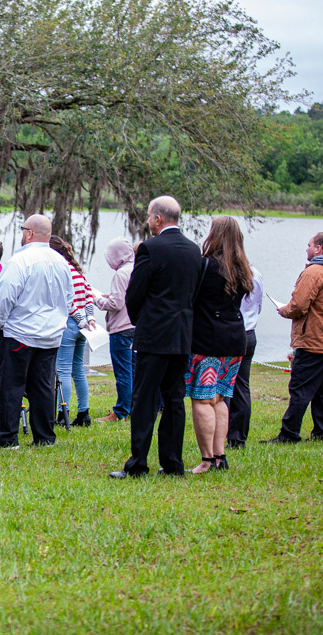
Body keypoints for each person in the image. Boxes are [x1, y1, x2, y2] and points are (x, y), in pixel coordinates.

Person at [110, 196, 202, 478]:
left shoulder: (150, 248)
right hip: (182, 335)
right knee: (174, 399)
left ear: (158, 218)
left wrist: (140, 322)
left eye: (149, 217)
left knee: (145, 399)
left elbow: (134, 294)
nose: (148, 222)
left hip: (153, 335)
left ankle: (138, 463)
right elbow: (194, 293)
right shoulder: (193, 249)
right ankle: (173, 464)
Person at [0, 215, 74, 450]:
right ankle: (44, 436)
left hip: (19, 333)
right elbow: (70, 298)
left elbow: (3, 299)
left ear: (29, 233)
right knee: (43, 386)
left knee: (11, 385)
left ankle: (7, 437)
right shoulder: (61, 262)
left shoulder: (20, 260)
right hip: (51, 335)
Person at [263, 232, 323, 444]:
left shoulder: (313, 272)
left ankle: (289, 434)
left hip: (313, 342)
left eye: (309, 245)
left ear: (319, 249)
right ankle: (322, 433)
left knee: (300, 389)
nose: (306, 249)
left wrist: (284, 310)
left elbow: (298, 305)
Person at [184, 217, 253, 474]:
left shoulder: (205, 266)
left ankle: (207, 459)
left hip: (207, 340)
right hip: (235, 338)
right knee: (221, 398)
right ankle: (220, 456)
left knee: (202, 400)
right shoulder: (243, 268)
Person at [49, 235, 96, 428]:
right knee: (78, 369)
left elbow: (68, 302)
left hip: (70, 323)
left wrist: (79, 320)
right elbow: (89, 296)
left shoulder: (61, 271)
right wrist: (89, 319)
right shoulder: (77, 271)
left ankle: (63, 413)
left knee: (63, 370)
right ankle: (83, 413)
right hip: (83, 325)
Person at [94, 237, 136, 423]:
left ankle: (121, 411)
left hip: (121, 328)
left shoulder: (121, 274)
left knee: (123, 372)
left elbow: (116, 304)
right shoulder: (137, 269)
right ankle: (134, 406)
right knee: (134, 370)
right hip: (135, 326)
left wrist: (96, 299)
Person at [225, 264, 264, 448]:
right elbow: (259, 305)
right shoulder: (256, 273)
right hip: (249, 333)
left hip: (231, 331)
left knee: (224, 385)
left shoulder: (228, 272)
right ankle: (238, 436)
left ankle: (222, 434)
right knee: (242, 386)